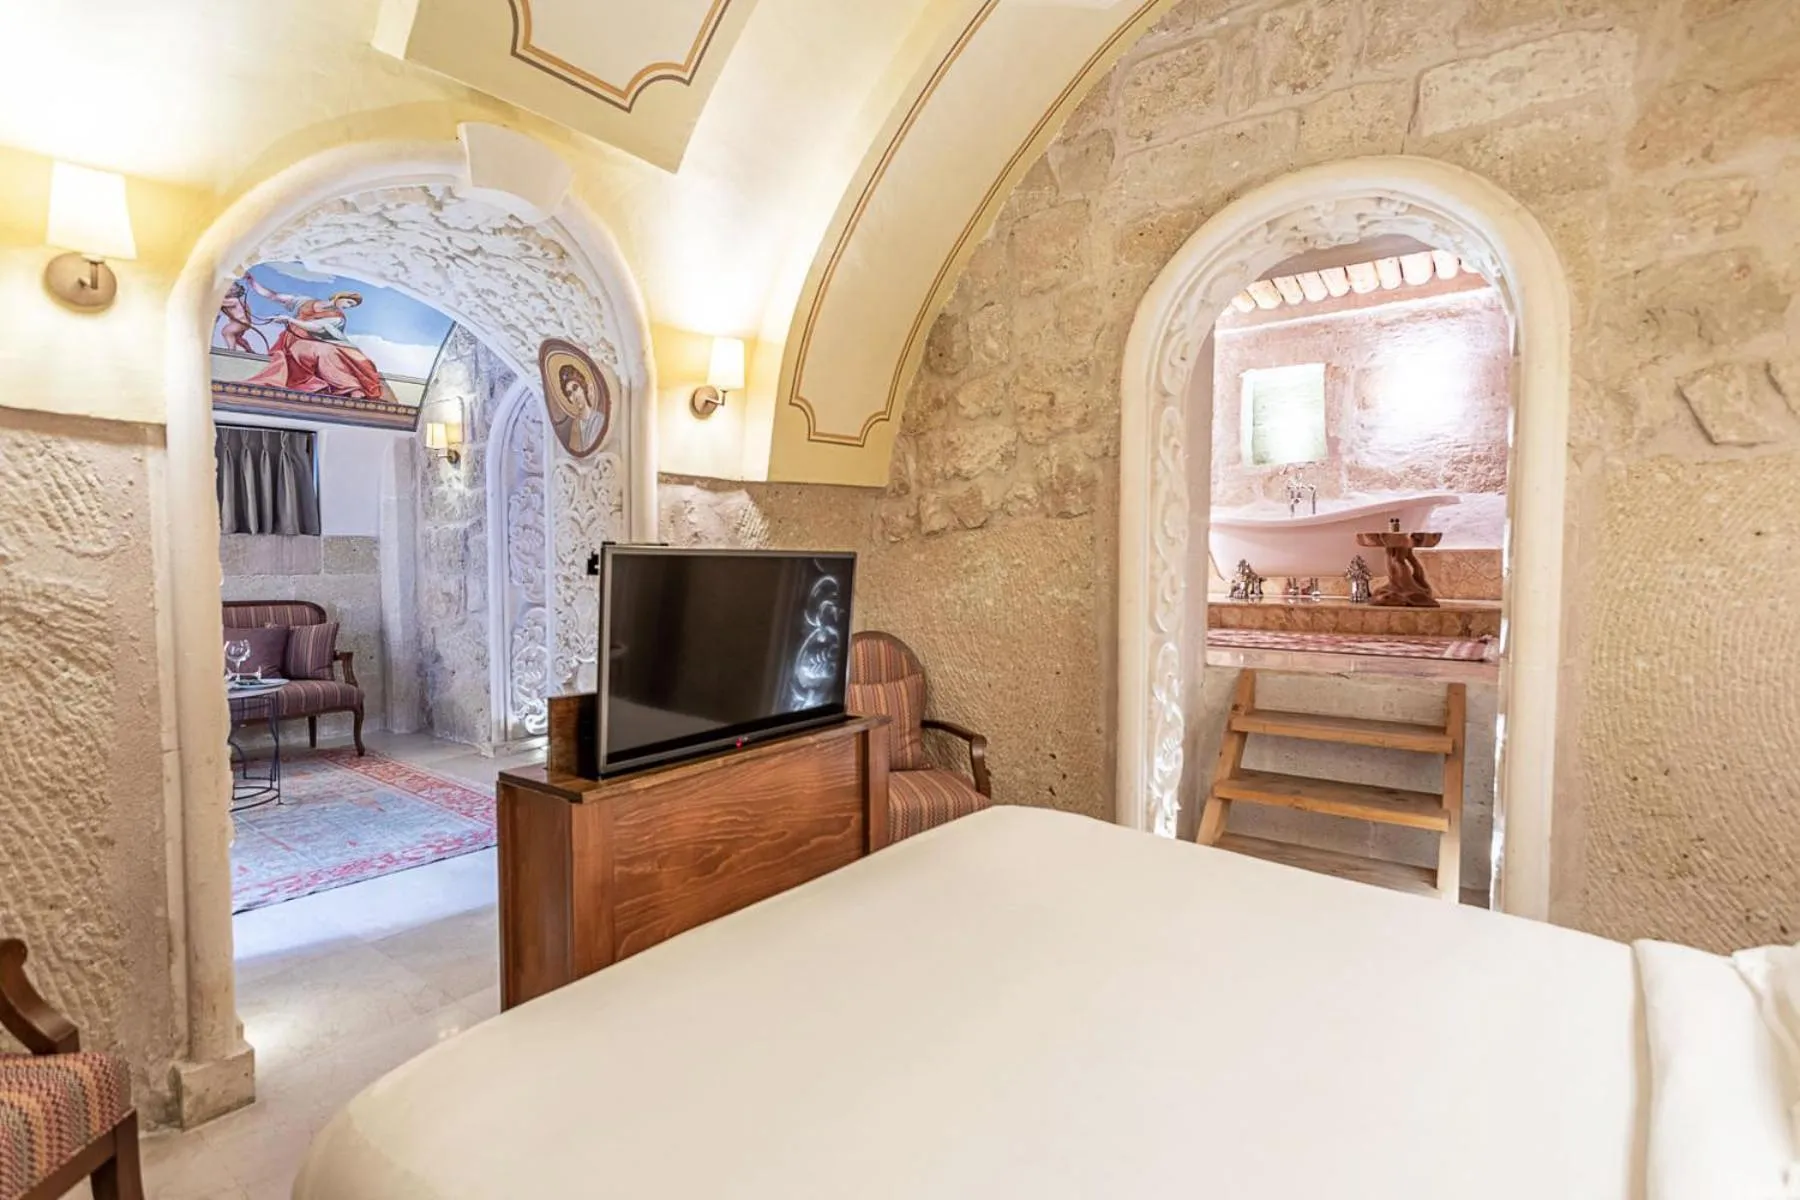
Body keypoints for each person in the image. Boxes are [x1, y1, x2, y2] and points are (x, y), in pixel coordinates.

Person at [244, 273, 386, 399]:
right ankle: (348, 386)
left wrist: (290, 319)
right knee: (323, 350)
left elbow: (316, 328)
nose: (348, 306)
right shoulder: (306, 302)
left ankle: (351, 387)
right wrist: (252, 282)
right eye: (349, 302)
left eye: (351, 306)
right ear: (340, 296)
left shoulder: (337, 318)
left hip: (313, 340)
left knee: (327, 350)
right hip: (295, 342)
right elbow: (273, 296)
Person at [557, 363, 609, 456]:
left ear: (583, 387)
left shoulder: (599, 419)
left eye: (575, 388)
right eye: (569, 393)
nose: (574, 396)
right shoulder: (574, 427)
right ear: (569, 399)